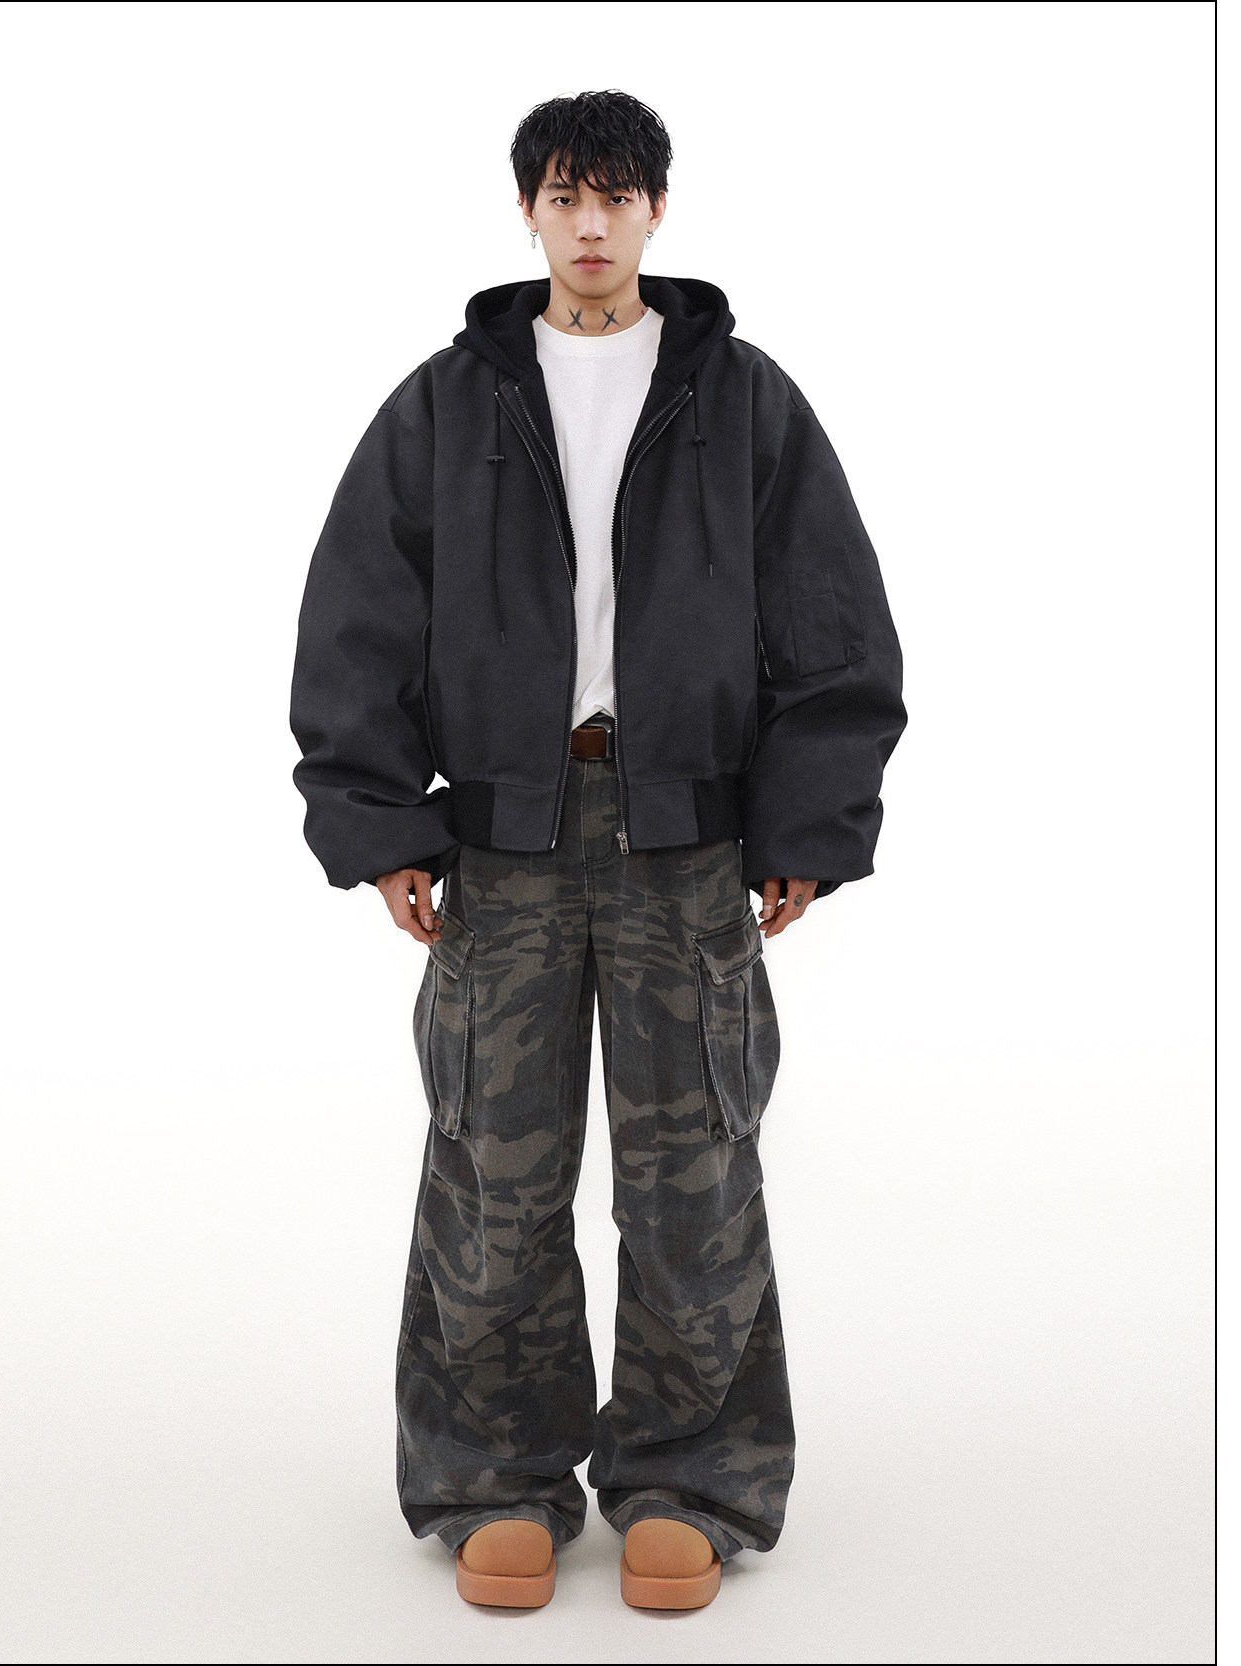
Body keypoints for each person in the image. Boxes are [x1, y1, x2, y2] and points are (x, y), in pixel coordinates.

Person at [289, 88, 906, 1611]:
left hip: (685, 842)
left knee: (695, 1174)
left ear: (655, 211)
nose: (589, 223)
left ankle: (690, 1478)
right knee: (492, 1174)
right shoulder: (446, 404)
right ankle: (493, 1477)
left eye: (615, 196)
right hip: (501, 840)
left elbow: (833, 620)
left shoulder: (741, 399)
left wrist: (806, 824)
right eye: (564, 195)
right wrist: (384, 823)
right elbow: (357, 614)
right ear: (528, 212)